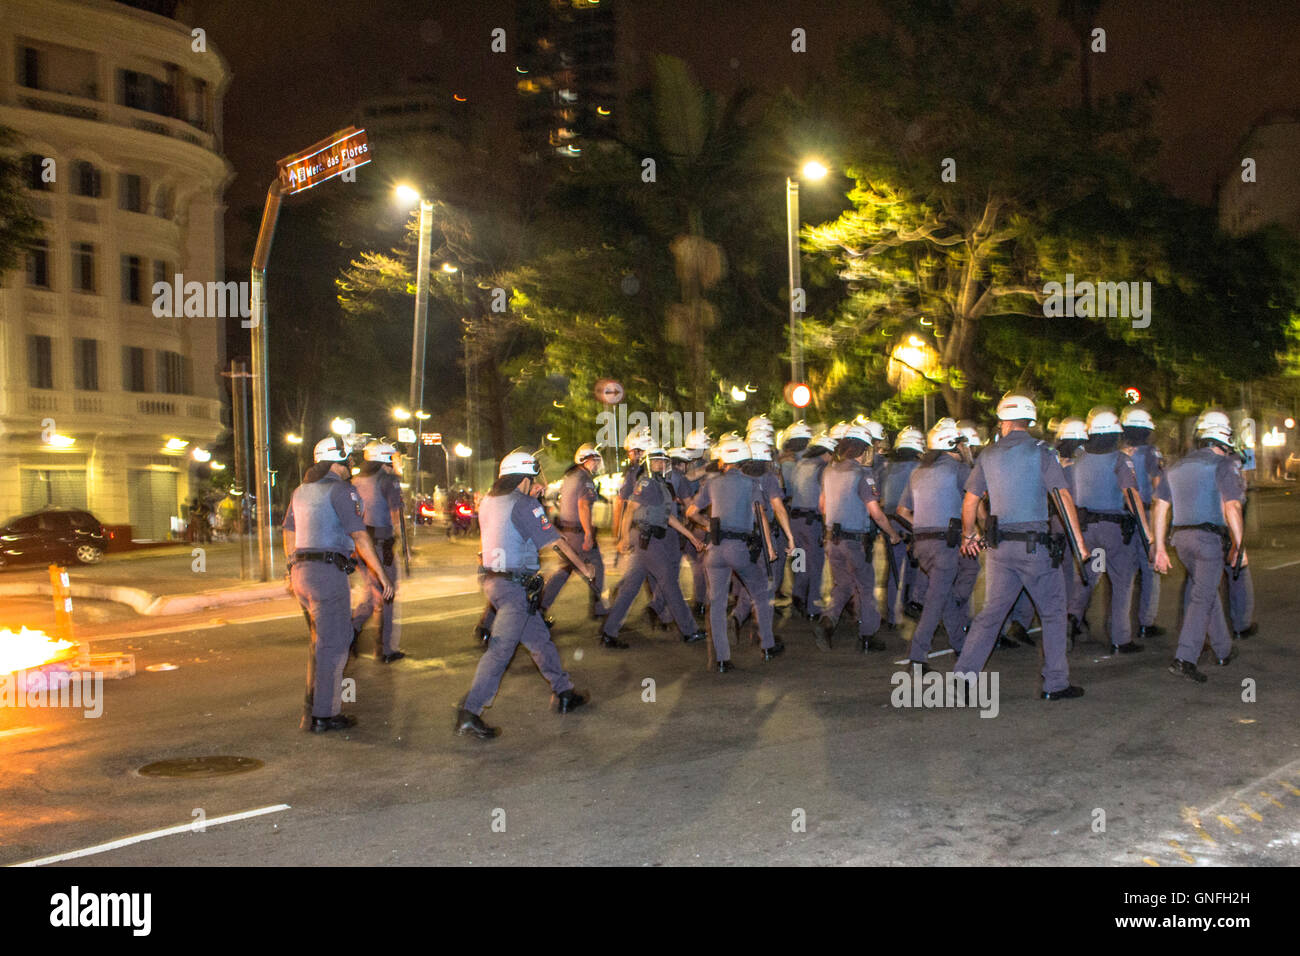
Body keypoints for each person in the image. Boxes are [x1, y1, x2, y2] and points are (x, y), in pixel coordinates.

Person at [952, 393, 1088, 700]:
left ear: (1003, 422)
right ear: (1029, 422)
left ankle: (963, 676)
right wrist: (1080, 545)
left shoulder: (988, 455)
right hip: (1034, 548)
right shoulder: (1041, 452)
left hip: (1001, 551)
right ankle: (1055, 683)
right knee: (1053, 614)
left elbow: (971, 500)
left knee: (991, 613)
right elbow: (1062, 497)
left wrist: (968, 535)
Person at [456, 449, 594, 739]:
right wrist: (584, 568)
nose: (536, 483)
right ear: (524, 479)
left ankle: (564, 692)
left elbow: (514, 531)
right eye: (533, 478)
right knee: (500, 651)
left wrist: (534, 500)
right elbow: (556, 542)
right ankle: (470, 711)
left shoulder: (489, 501)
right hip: (514, 588)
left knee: (540, 640)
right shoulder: (524, 505)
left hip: (495, 582)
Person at [283, 436, 394, 733]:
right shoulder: (343, 491)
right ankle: (323, 715)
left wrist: (292, 565)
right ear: (337, 463)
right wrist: (381, 575)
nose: (350, 467)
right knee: (334, 644)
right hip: (327, 574)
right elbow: (359, 536)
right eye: (347, 462)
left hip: (301, 574)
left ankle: (313, 702)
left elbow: (289, 533)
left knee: (321, 642)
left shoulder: (301, 491)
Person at [1150, 411, 1244, 682]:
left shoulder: (1176, 466)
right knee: (1202, 596)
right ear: (1224, 438)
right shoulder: (1222, 465)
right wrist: (1240, 544)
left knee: (1206, 590)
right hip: (1208, 540)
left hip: (1181, 540)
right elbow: (1233, 506)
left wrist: (1159, 549)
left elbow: (1160, 508)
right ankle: (1185, 658)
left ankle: (1224, 649)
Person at [686, 438, 784, 670]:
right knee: (760, 592)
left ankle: (720, 659)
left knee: (717, 603)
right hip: (740, 548)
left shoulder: (711, 483)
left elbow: (691, 511)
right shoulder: (751, 484)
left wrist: (707, 525)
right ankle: (767, 645)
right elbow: (760, 516)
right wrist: (770, 548)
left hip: (716, 549)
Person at [600, 447, 707, 647]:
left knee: (630, 588)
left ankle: (608, 631)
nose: (661, 464)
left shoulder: (662, 485)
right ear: (648, 463)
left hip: (649, 540)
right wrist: (623, 537)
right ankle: (689, 630)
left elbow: (668, 517)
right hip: (646, 540)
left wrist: (691, 536)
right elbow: (629, 510)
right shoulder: (646, 483)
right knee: (669, 582)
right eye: (656, 460)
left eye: (663, 460)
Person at [1065, 407, 1151, 654]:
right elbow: (1131, 494)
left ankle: (1072, 618)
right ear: (1116, 435)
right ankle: (1119, 638)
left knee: (1089, 577)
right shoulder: (1121, 460)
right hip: (1116, 532)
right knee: (1122, 582)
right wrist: (1146, 532)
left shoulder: (1078, 460)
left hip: (1088, 531)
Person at [813, 423, 902, 653]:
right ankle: (867, 636)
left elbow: (822, 506)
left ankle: (827, 621)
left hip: (832, 539)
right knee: (865, 587)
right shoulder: (863, 475)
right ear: (863, 450)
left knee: (842, 584)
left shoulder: (829, 471)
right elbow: (876, 513)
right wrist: (892, 534)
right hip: (854, 541)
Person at [896, 418, 978, 669]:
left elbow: (902, 511)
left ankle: (961, 646)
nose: (967, 448)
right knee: (935, 601)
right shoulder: (959, 470)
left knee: (941, 594)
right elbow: (974, 503)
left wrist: (923, 525)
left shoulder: (918, 471)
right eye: (963, 444)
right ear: (953, 445)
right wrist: (971, 533)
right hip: (947, 543)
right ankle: (918, 656)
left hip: (922, 543)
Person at [540, 442, 610, 621]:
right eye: (593, 460)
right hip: (579, 534)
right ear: (583, 460)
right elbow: (583, 505)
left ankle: (542, 605)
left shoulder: (570, 477)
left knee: (565, 569)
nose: (595, 463)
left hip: (568, 533)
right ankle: (598, 607)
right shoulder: (584, 478)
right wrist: (588, 533)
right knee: (597, 568)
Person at [350, 439, 406, 662]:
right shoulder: (388, 480)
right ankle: (384, 649)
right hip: (381, 545)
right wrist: (403, 541)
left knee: (370, 591)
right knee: (387, 593)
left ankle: (351, 630)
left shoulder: (355, 480)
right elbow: (396, 514)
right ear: (385, 458)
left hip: (360, 545)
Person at [1121, 407, 1166, 640]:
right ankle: (1145, 623)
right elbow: (1159, 487)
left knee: (1123, 572)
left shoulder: (1117, 451)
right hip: (1145, 513)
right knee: (1150, 570)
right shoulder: (1151, 453)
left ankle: (1119, 625)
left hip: (1119, 516)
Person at [881, 426, 928, 627]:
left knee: (892, 572)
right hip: (912, 523)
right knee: (914, 569)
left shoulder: (888, 467)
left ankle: (890, 615)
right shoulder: (920, 469)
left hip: (890, 524)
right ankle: (911, 606)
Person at [787, 431, 835, 620]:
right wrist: (827, 527)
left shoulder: (800, 465)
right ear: (827, 452)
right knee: (815, 564)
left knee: (799, 561)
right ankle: (813, 607)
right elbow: (824, 501)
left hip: (794, 520)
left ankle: (798, 594)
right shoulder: (822, 468)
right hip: (812, 522)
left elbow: (791, 490)